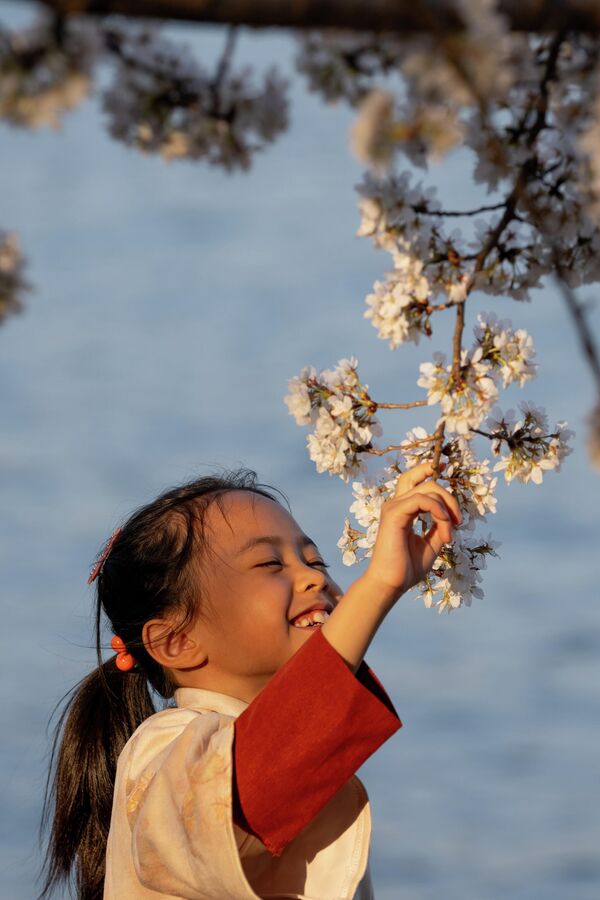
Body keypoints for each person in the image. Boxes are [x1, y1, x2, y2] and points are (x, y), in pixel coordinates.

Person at [39, 463, 461, 900]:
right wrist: (377, 586)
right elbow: (247, 797)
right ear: (176, 641)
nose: (314, 576)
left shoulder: (294, 746)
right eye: (270, 563)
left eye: (315, 560)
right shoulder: (165, 747)